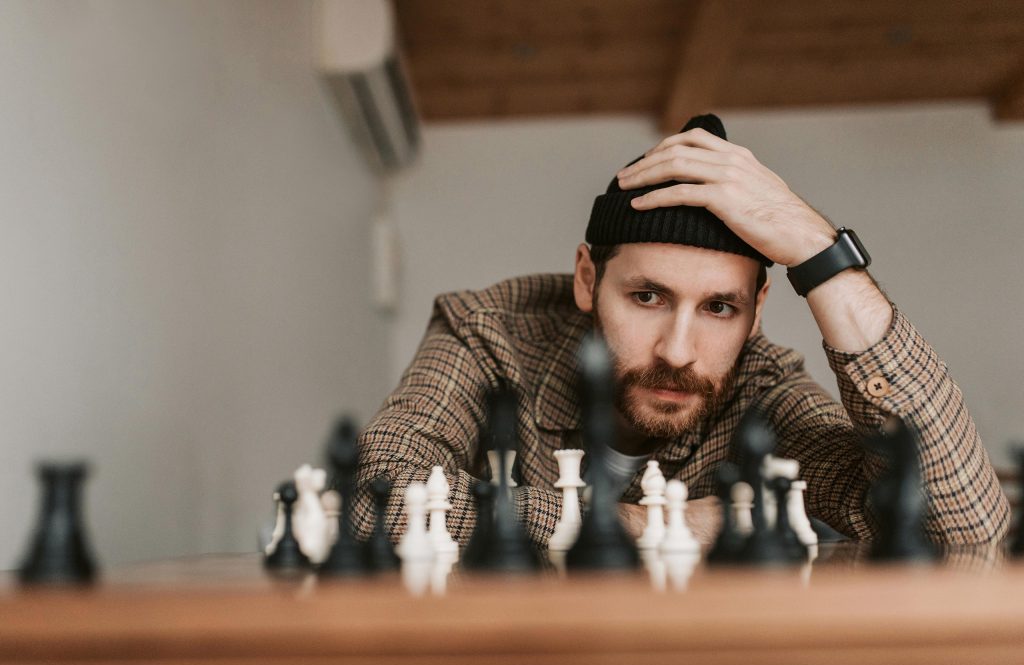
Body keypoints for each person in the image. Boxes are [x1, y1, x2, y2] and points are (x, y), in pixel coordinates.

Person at [353, 114, 1010, 548]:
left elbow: (965, 530)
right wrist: (640, 525)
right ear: (588, 278)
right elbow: (371, 498)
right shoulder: (489, 331)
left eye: (720, 307)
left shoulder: (761, 385)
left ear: (757, 308)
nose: (677, 350)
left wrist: (821, 253)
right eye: (646, 296)